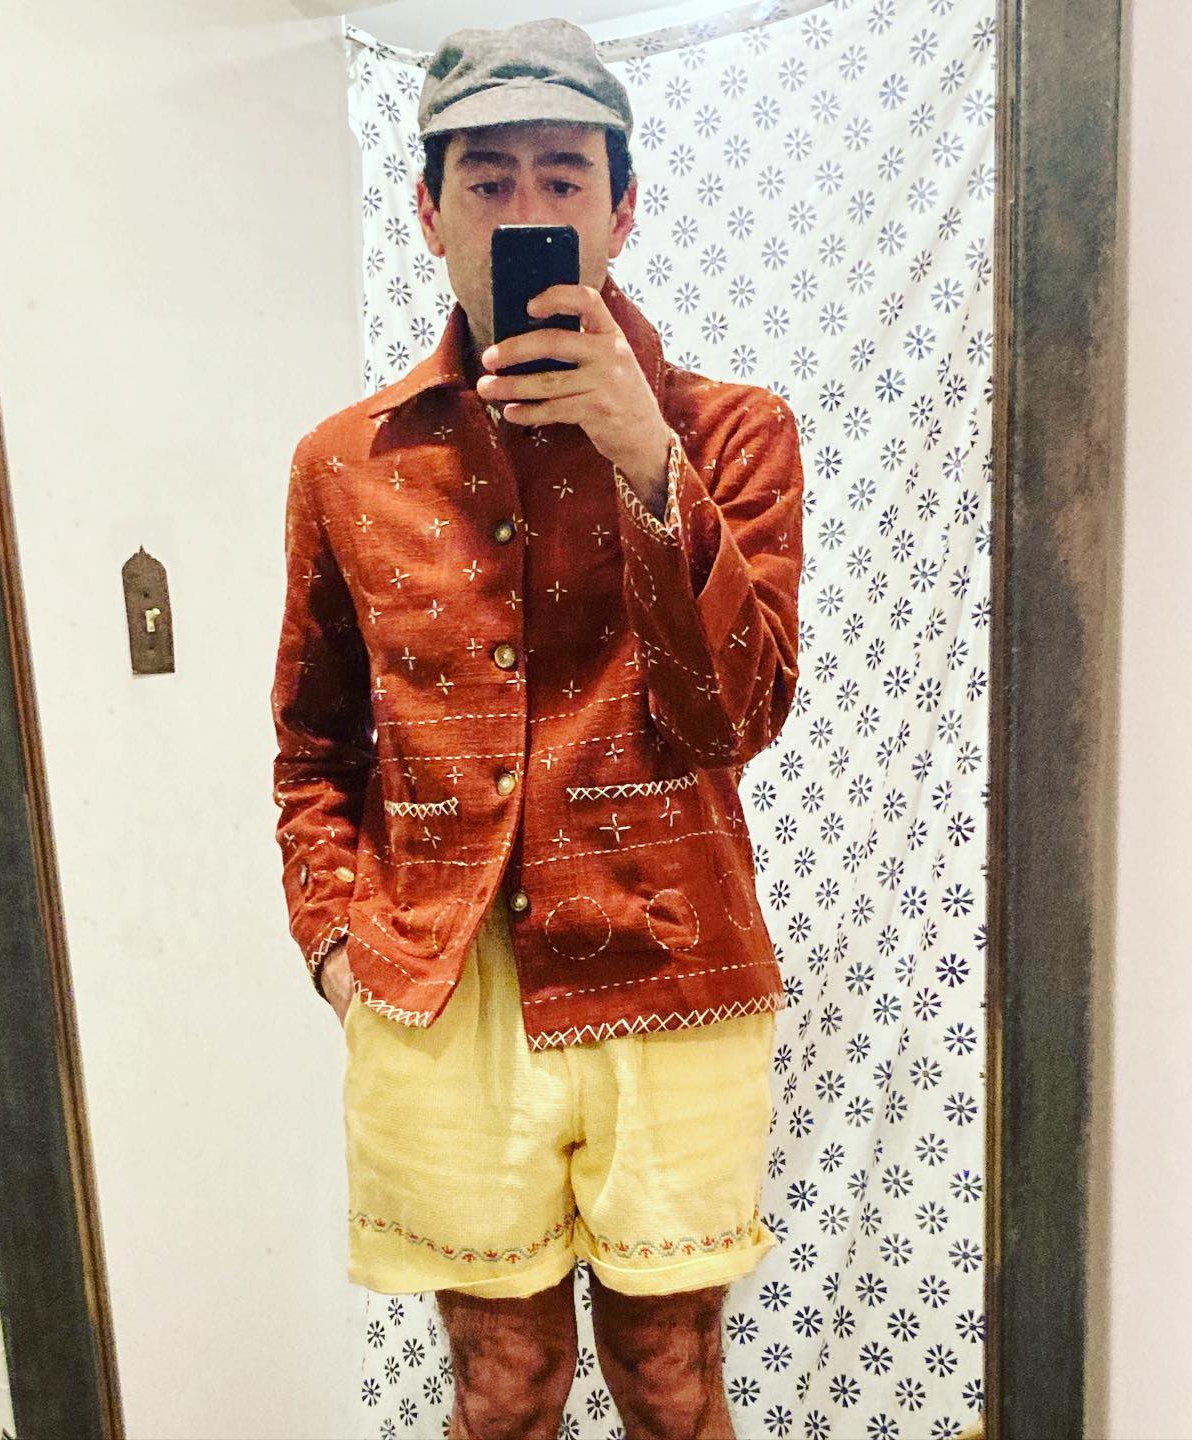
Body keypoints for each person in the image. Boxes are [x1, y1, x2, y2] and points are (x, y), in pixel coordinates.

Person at [271, 18, 805, 1438]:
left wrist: (647, 461)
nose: (526, 210)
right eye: (488, 179)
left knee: (672, 1383)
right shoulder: (346, 463)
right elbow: (313, 744)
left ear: (621, 210)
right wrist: (334, 945)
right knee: (502, 1388)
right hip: (441, 979)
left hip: (671, 957)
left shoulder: (731, 434)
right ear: (428, 209)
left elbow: (738, 713)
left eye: (562, 178)